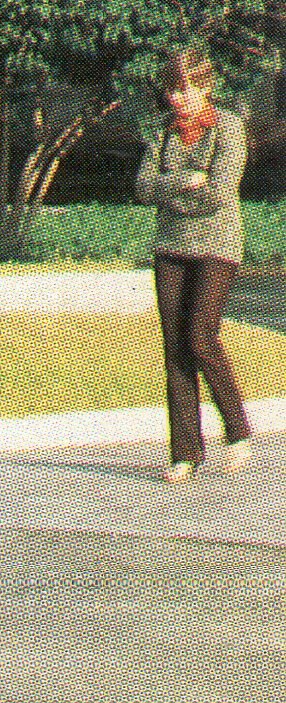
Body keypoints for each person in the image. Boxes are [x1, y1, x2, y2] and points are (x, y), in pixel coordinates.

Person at [135, 44, 253, 480]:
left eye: (184, 89)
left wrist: (172, 195)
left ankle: (237, 430)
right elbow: (144, 187)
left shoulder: (229, 128)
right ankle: (185, 451)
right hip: (169, 246)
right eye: (171, 90)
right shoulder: (162, 132)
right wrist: (183, 180)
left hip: (218, 245)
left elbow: (219, 194)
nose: (176, 98)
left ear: (206, 85)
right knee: (175, 348)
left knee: (201, 335)